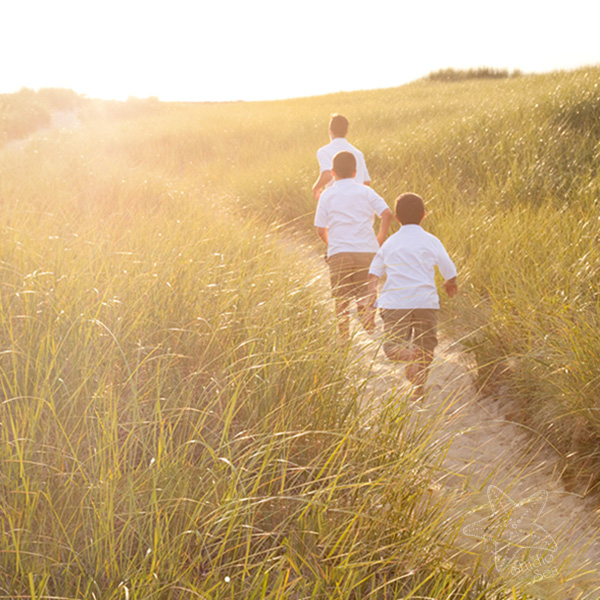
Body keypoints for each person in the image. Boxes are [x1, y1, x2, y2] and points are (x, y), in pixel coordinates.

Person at [367, 193, 458, 397]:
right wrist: (450, 283)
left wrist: (370, 298)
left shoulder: (390, 243)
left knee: (391, 348)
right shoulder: (431, 241)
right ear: (424, 215)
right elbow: (450, 270)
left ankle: (410, 357)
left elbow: (374, 273)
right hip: (426, 303)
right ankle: (419, 389)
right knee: (426, 347)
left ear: (397, 218)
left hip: (396, 303)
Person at [314, 151, 393, 340]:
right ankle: (366, 316)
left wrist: (332, 246)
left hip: (340, 252)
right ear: (355, 172)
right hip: (367, 250)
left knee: (341, 299)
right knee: (366, 290)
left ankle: (344, 337)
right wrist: (379, 238)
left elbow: (320, 229)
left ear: (332, 173)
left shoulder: (327, 195)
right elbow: (387, 213)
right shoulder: (366, 192)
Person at [312, 114, 370, 200]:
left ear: (330, 130)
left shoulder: (324, 151)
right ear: (346, 132)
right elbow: (366, 181)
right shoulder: (358, 153)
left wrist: (315, 188)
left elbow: (327, 175)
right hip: (357, 203)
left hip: (335, 202)